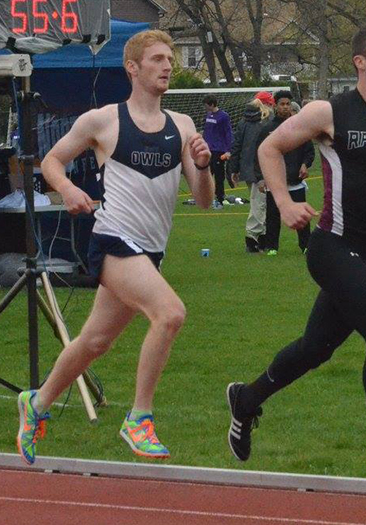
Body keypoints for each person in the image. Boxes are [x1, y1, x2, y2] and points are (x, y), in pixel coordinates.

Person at [225, 25, 366, 482]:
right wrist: (283, 202)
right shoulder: (329, 111)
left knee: (315, 348)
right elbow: (269, 147)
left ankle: (247, 398)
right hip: (332, 246)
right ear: (361, 62)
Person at [14, 29, 214, 465]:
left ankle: (37, 402)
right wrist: (67, 189)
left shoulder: (182, 126)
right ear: (133, 67)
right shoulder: (103, 120)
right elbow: (50, 160)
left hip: (150, 251)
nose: (167, 67)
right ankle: (139, 418)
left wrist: (202, 165)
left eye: (170, 60)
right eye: (158, 59)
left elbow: (203, 200)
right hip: (112, 241)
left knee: (95, 341)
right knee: (170, 313)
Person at [259, 90, 315, 255]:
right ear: (275, 106)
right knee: (273, 216)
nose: (285, 107)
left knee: (301, 216)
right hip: (274, 182)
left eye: (287, 104)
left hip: (295, 179)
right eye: (282, 104)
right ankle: (272, 247)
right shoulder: (267, 129)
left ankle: (306, 246)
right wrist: (261, 178)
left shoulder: (299, 128)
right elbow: (259, 154)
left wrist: (305, 164)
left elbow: (309, 151)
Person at [230, 100, 272, 252]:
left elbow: (236, 145)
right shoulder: (265, 122)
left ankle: (261, 237)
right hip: (260, 168)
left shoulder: (244, 122)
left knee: (260, 202)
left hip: (248, 167)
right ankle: (252, 237)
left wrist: (233, 168)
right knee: (259, 203)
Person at [202, 95, 234, 208]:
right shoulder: (208, 115)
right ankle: (207, 197)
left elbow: (228, 133)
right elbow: (207, 132)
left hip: (219, 150)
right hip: (208, 149)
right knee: (207, 174)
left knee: (219, 175)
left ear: (211, 104)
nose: (205, 107)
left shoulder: (223, 116)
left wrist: (228, 150)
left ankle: (220, 197)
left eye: (206, 105)